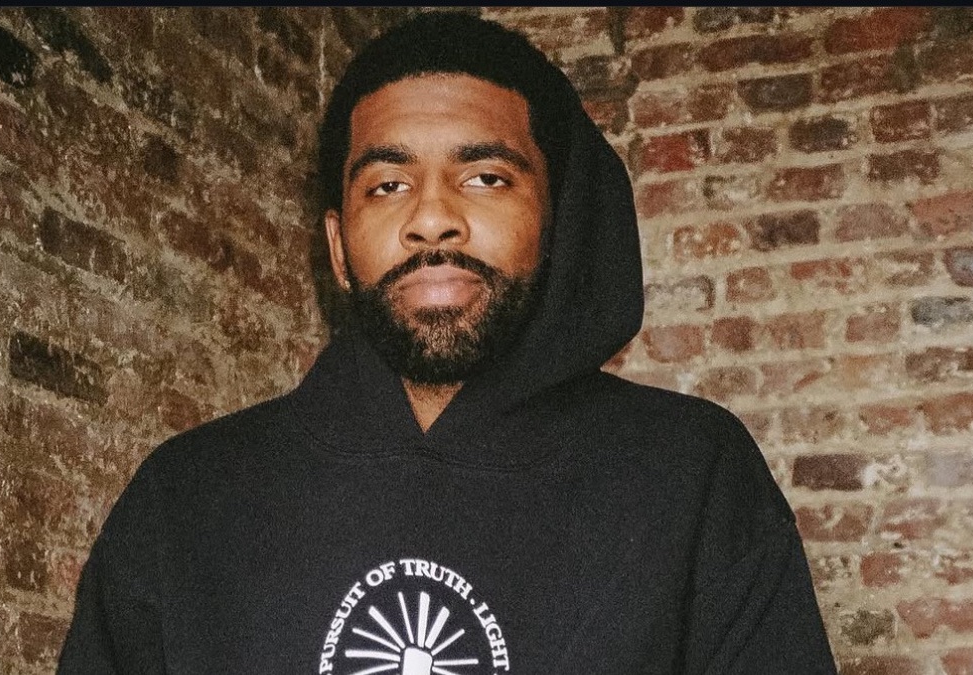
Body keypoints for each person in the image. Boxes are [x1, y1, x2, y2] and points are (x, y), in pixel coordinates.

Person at [58, 12, 837, 674]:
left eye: (486, 177)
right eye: (387, 185)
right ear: (337, 247)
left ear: (556, 223)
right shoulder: (186, 501)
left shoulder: (692, 478)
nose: (432, 218)